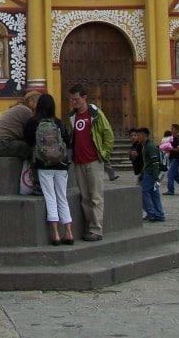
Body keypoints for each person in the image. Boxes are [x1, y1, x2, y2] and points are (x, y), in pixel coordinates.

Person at [66, 83, 115, 241]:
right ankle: (89, 225)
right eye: (72, 100)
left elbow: (108, 134)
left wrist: (105, 154)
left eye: (76, 99)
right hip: (79, 161)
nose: (74, 102)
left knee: (96, 196)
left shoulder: (96, 115)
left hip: (93, 160)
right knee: (85, 197)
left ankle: (97, 229)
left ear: (84, 98)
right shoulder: (72, 116)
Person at [24, 93, 74, 245]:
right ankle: (69, 233)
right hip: (61, 164)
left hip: (44, 164)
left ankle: (56, 235)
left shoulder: (33, 122)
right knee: (62, 198)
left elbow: (28, 140)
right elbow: (67, 142)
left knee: (50, 197)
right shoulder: (58, 123)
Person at [0, 91, 40, 160]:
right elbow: (32, 132)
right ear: (31, 101)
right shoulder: (26, 111)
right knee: (31, 148)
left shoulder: (17, 107)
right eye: (39, 103)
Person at [137, 127, 166, 222]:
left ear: (144, 136)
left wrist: (155, 176)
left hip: (151, 174)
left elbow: (155, 162)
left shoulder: (149, 146)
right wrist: (141, 175)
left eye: (139, 135)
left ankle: (151, 212)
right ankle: (159, 214)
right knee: (154, 193)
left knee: (142, 191)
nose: (137, 137)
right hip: (149, 173)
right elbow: (146, 163)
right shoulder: (145, 146)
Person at [164, 123, 179, 195]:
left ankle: (170, 190)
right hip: (171, 158)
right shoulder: (171, 138)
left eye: (172, 129)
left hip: (176, 158)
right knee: (176, 176)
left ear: (177, 130)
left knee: (170, 174)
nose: (171, 130)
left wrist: (171, 149)